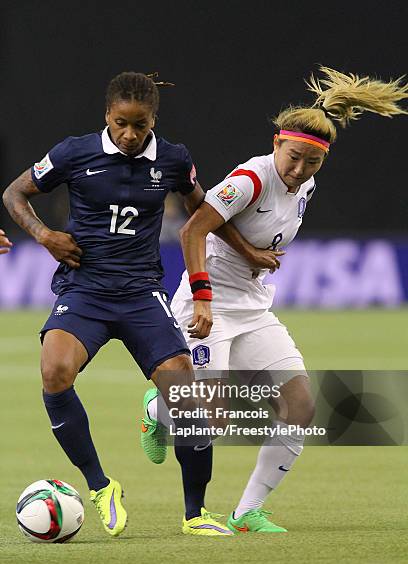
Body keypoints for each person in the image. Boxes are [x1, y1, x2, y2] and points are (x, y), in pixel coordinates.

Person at [141, 66, 408, 533]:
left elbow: (248, 236)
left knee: (300, 406)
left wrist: (249, 255)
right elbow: (192, 229)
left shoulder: (305, 185)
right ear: (275, 144)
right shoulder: (251, 178)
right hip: (209, 307)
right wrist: (203, 298)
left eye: (312, 162)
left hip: (254, 307)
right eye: (293, 157)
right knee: (213, 419)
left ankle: (247, 513)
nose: (299, 169)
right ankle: (157, 410)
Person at [2, 71, 236, 537]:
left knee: (185, 394)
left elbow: (203, 212)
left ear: (153, 120)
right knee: (54, 372)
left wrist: (239, 257)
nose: (130, 134)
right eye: (122, 123)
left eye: (141, 125)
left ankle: (195, 514)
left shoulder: (173, 159)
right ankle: (100, 485)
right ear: (107, 116)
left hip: (141, 293)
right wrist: (45, 236)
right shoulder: (74, 152)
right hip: (84, 289)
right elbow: (15, 192)